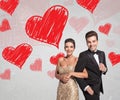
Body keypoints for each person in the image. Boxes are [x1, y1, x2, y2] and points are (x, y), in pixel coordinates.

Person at [75, 30, 108, 100]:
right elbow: (77, 74)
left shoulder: (102, 53)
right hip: (90, 88)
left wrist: (105, 69)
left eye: (94, 41)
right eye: (89, 42)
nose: (91, 44)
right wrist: (86, 87)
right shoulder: (83, 55)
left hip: (98, 87)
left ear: (97, 41)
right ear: (86, 43)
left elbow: (104, 70)